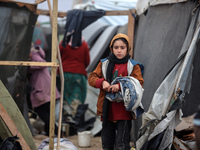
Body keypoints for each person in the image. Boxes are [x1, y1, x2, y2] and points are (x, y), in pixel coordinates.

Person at [88, 33, 144, 150]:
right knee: (107, 143)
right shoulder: (104, 63)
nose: (119, 51)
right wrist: (102, 82)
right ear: (111, 48)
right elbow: (91, 78)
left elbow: (138, 83)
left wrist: (120, 86)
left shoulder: (133, 66)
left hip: (124, 111)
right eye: (116, 48)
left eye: (122, 48)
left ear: (128, 49)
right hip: (107, 110)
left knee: (122, 144)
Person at [28, 43, 60, 136]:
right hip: (45, 87)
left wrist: (30, 66)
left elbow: (43, 64)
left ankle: (55, 131)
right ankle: (50, 132)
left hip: (42, 88)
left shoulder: (34, 55)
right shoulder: (35, 55)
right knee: (47, 112)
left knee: (41, 111)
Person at [59, 37, 90, 117]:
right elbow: (87, 61)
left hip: (65, 73)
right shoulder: (84, 44)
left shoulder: (63, 43)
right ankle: (75, 117)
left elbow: (57, 56)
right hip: (79, 74)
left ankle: (66, 117)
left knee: (65, 96)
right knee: (77, 97)